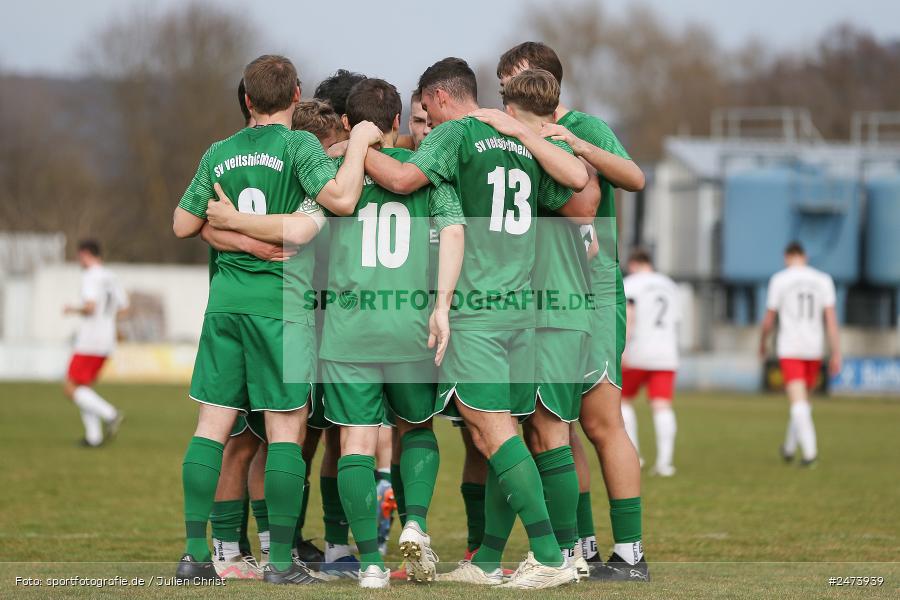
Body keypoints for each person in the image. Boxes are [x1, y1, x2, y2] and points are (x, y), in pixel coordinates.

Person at [363, 56, 591, 589]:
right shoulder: (520, 136)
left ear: (440, 99)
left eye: (426, 110)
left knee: (492, 431)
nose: (427, 122)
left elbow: (400, 178)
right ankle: (490, 559)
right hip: (522, 310)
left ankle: (548, 554)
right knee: (503, 433)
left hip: (477, 311)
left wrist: (354, 151)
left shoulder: (459, 132)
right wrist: (524, 134)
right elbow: (577, 180)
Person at [171, 53, 380, 585]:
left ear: (246, 99)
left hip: (224, 305)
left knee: (211, 428)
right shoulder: (299, 145)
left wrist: (236, 233)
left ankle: (196, 556)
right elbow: (342, 198)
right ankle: (282, 563)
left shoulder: (219, 152)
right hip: (281, 310)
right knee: (285, 433)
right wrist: (356, 145)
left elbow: (182, 224)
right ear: (295, 96)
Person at [495, 41, 649, 582]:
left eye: (509, 78)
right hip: (547, 293)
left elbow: (633, 178)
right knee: (560, 422)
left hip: (593, 290)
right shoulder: (514, 139)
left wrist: (575, 141)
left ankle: (629, 552)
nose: (503, 89)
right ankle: (579, 545)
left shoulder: (583, 126)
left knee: (602, 421)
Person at [319, 77, 465, 588]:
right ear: (399, 122)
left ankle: (371, 564)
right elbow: (453, 232)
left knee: (355, 444)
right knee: (417, 429)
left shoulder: (336, 174)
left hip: (349, 328)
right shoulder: (428, 175)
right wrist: (442, 306)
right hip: (410, 324)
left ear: (344, 122)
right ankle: (418, 524)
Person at [759, 241, 842, 467]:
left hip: (791, 347)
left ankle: (810, 454)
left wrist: (762, 342)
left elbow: (769, 320)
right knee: (803, 402)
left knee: (798, 403)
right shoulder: (823, 279)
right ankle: (788, 448)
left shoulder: (780, 279)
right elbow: (831, 321)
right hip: (814, 347)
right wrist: (836, 352)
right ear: (804, 256)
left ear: (787, 257)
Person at [621, 249, 680, 477]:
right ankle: (665, 463)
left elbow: (629, 315)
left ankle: (635, 455)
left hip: (638, 352)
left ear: (634, 264)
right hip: (666, 354)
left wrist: (622, 348)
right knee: (662, 405)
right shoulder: (669, 285)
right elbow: (675, 321)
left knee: (623, 401)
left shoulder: (631, 283)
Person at [63, 239, 127, 448]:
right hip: (105, 340)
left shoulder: (91, 275)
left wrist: (71, 309)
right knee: (83, 388)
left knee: (71, 388)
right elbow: (123, 308)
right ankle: (94, 437)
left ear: (85, 254)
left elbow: (89, 307)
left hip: (89, 340)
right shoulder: (110, 276)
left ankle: (110, 414)